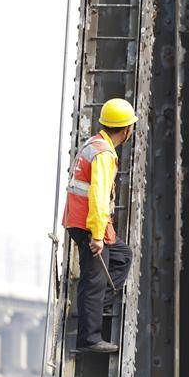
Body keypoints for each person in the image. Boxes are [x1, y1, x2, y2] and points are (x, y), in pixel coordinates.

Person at [62, 98, 137, 353]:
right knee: (93, 279)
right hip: (88, 224)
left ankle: (97, 304)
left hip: (78, 219)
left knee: (122, 256)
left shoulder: (94, 144)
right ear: (126, 130)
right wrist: (96, 235)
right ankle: (89, 339)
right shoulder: (104, 154)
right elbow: (98, 197)